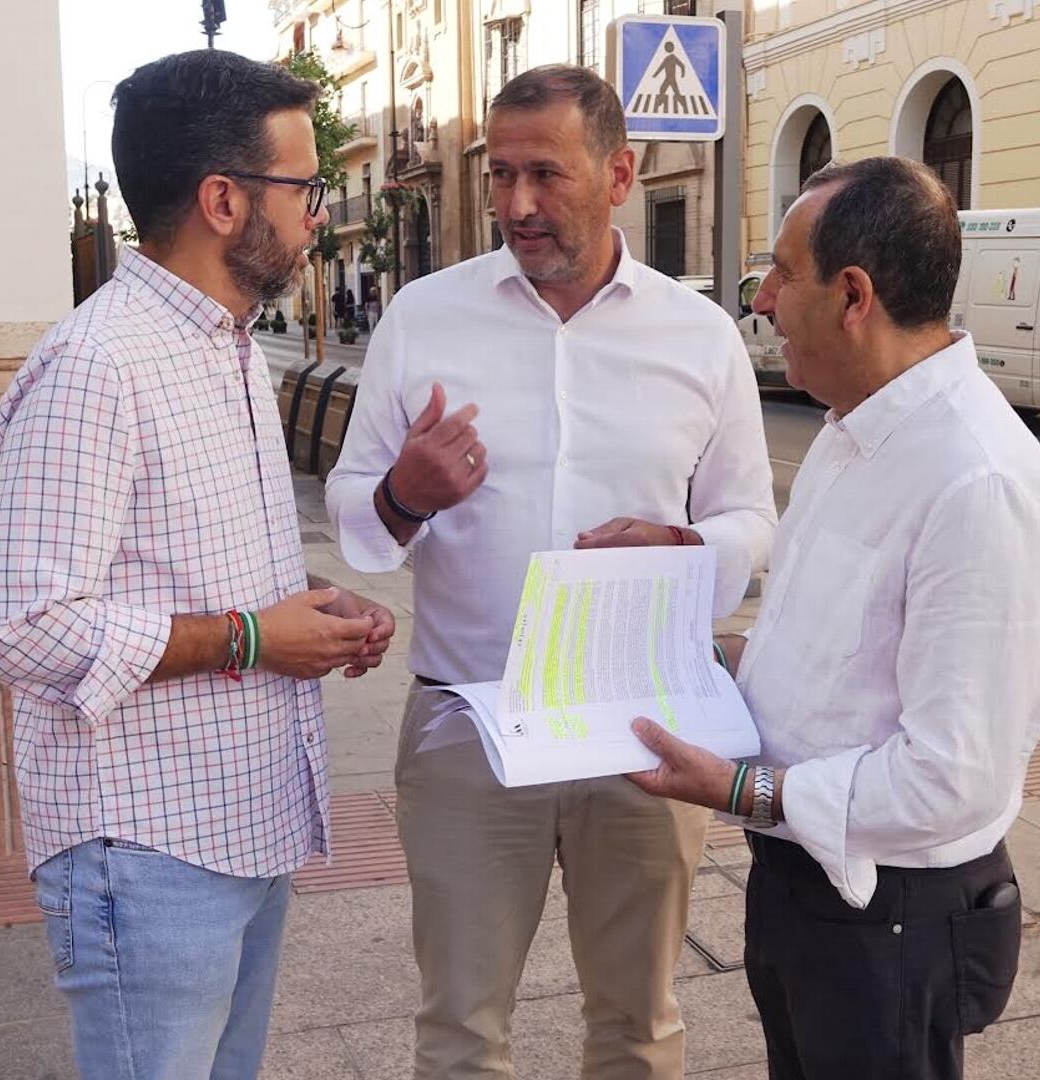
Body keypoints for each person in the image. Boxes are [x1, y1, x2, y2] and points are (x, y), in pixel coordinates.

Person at [325, 65, 776, 1079]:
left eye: (547, 175)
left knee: (638, 1026)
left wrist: (691, 548)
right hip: (469, 727)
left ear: (619, 173)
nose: (518, 205)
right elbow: (353, 517)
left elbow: (754, 517)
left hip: (646, 732)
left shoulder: (698, 337)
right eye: (502, 175)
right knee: (460, 1031)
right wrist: (407, 491)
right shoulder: (424, 321)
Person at [0, 49, 396, 1080]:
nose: (315, 213)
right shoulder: (97, 365)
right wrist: (254, 637)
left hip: (239, 824)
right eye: (302, 187)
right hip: (148, 852)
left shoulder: (228, 346)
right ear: (222, 200)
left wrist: (310, 607)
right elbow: (22, 625)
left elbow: (182, 569)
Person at [625, 157, 1040, 1080]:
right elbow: (830, 651)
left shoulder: (975, 479)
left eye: (783, 272)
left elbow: (951, 778)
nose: (762, 300)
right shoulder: (853, 430)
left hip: (893, 915)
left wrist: (739, 790)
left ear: (854, 295)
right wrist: (691, 649)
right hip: (807, 883)